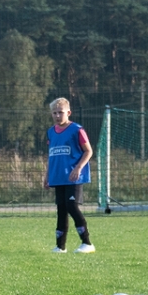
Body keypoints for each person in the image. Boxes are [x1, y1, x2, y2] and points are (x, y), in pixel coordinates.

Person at [44, 97, 95, 254]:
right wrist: (47, 176)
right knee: (61, 209)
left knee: (72, 206)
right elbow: (51, 156)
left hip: (73, 177)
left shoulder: (77, 130)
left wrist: (78, 168)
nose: (58, 116)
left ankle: (87, 243)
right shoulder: (51, 132)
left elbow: (88, 151)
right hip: (58, 177)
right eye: (55, 113)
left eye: (61, 112)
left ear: (68, 112)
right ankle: (60, 246)